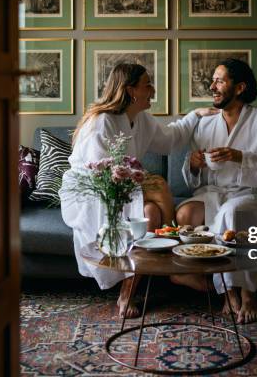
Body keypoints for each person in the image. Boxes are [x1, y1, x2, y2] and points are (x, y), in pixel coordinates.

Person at [59, 63, 218, 319]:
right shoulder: (102, 122)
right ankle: (178, 266)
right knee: (158, 185)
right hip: (94, 193)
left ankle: (127, 295)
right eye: (147, 84)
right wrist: (140, 181)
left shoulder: (140, 119)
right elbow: (103, 173)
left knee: (150, 215)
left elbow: (168, 140)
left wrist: (195, 116)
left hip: (123, 184)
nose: (152, 90)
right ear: (131, 90)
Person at [174, 58, 257, 324]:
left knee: (233, 212)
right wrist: (193, 165)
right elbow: (197, 177)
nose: (212, 86)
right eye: (212, 80)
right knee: (185, 214)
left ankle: (247, 292)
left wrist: (240, 157)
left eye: (219, 80)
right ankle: (224, 288)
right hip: (215, 191)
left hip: (252, 192)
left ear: (239, 88)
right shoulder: (205, 124)